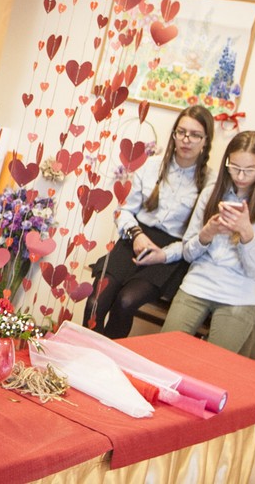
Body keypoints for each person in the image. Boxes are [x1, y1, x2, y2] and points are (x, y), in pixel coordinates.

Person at [83, 106, 214, 338]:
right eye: (181, 132)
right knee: (96, 301)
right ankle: (84, 353)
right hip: (134, 239)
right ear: (174, 134)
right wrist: (136, 234)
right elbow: (123, 211)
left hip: (169, 254)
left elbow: (194, 241)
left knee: (125, 301)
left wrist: (164, 255)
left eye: (195, 135)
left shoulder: (210, 182)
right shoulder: (152, 165)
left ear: (206, 141)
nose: (186, 140)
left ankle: (110, 357)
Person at [161, 131, 255, 356]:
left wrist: (246, 234)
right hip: (199, 283)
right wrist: (206, 235)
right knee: (164, 351)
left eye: (250, 170)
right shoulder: (211, 193)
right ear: (226, 162)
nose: (241, 176)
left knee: (215, 364)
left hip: (240, 293)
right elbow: (188, 253)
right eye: (234, 167)